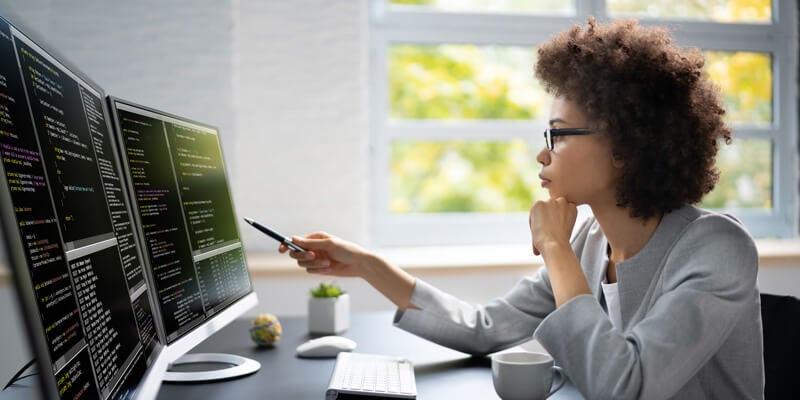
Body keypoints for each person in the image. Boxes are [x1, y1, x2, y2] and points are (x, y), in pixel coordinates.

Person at [280, 18, 763, 399]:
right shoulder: (590, 240)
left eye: (558, 134)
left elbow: (625, 386)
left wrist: (554, 247)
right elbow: (486, 329)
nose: (543, 153)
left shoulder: (716, 248)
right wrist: (367, 265)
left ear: (624, 146)